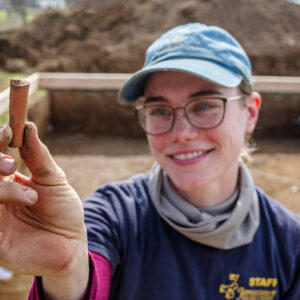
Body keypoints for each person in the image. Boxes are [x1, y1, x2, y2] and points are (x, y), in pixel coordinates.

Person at [0, 23, 299, 300]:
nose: (181, 133)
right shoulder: (112, 215)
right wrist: (69, 271)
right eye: (159, 110)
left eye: (205, 105)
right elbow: (88, 266)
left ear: (251, 113)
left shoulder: (290, 246)